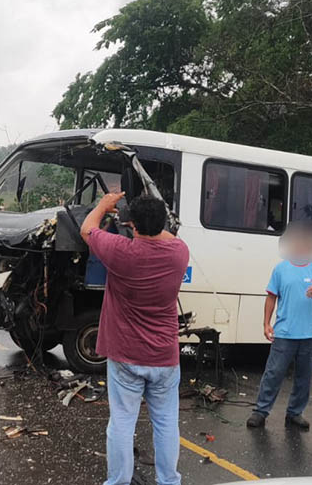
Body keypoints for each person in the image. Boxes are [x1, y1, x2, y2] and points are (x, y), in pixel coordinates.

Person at [80, 192, 189, 485]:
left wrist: (103, 205)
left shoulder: (121, 251)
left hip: (125, 355)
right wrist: (144, 224)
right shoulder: (180, 252)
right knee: (166, 423)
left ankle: (119, 481)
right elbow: (161, 234)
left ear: (132, 225)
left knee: (122, 423)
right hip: (164, 356)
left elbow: (87, 228)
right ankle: (169, 481)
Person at [247, 221, 312, 430]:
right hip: (284, 333)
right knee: (273, 374)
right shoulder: (281, 269)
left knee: (304, 378)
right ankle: (261, 412)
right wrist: (266, 323)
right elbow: (271, 297)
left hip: (309, 335)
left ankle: (295, 413)